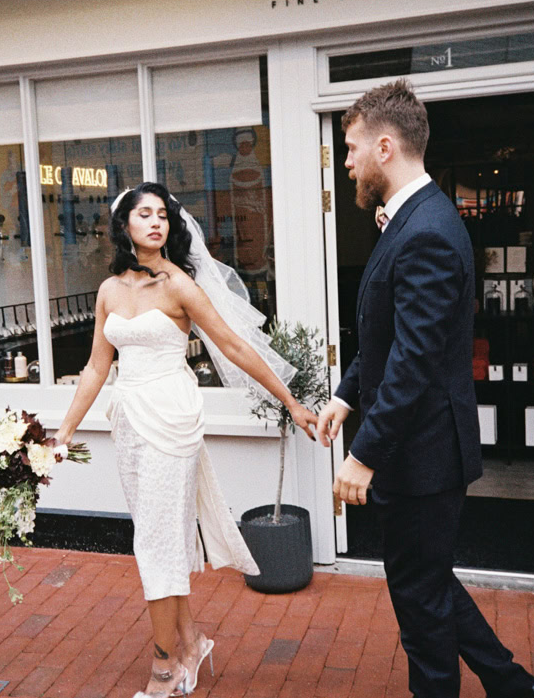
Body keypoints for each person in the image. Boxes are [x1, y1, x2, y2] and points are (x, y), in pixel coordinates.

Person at [314, 80, 534, 698]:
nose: (346, 163)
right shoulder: (410, 220)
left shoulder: (427, 231)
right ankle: (514, 686)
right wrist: (345, 395)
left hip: (422, 455)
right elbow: (386, 339)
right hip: (417, 451)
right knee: (427, 583)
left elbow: (414, 362)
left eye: (351, 148)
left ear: (386, 146)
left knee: (421, 611)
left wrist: (363, 456)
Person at [52, 182, 317, 698]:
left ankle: (164, 665)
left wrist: (290, 401)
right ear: (124, 225)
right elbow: (94, 368)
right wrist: (62, 433)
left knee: (155, 543)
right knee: (157, 538)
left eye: (163, 216)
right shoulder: (109, 291)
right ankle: (192, 640)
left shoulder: (179, 285)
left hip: (171, 422)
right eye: (144, 214)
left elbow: (235, 346)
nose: (156, 223)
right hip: (128, 424)